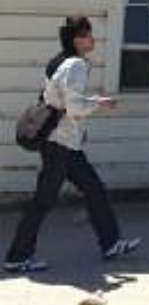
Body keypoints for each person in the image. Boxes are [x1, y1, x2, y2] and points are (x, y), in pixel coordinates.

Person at [4, 15, 141, 273]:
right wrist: (100, 103)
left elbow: (65, 100)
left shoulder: (61, 61)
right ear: (77, 39)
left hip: (66, 144)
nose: (93, 39)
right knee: (44, 201)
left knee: (95, 190)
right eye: (88, 34)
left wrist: (91, 101)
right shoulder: (75, 65)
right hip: (59, 145)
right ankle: (16, 256)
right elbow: (75, 107)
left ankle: (110, 243)